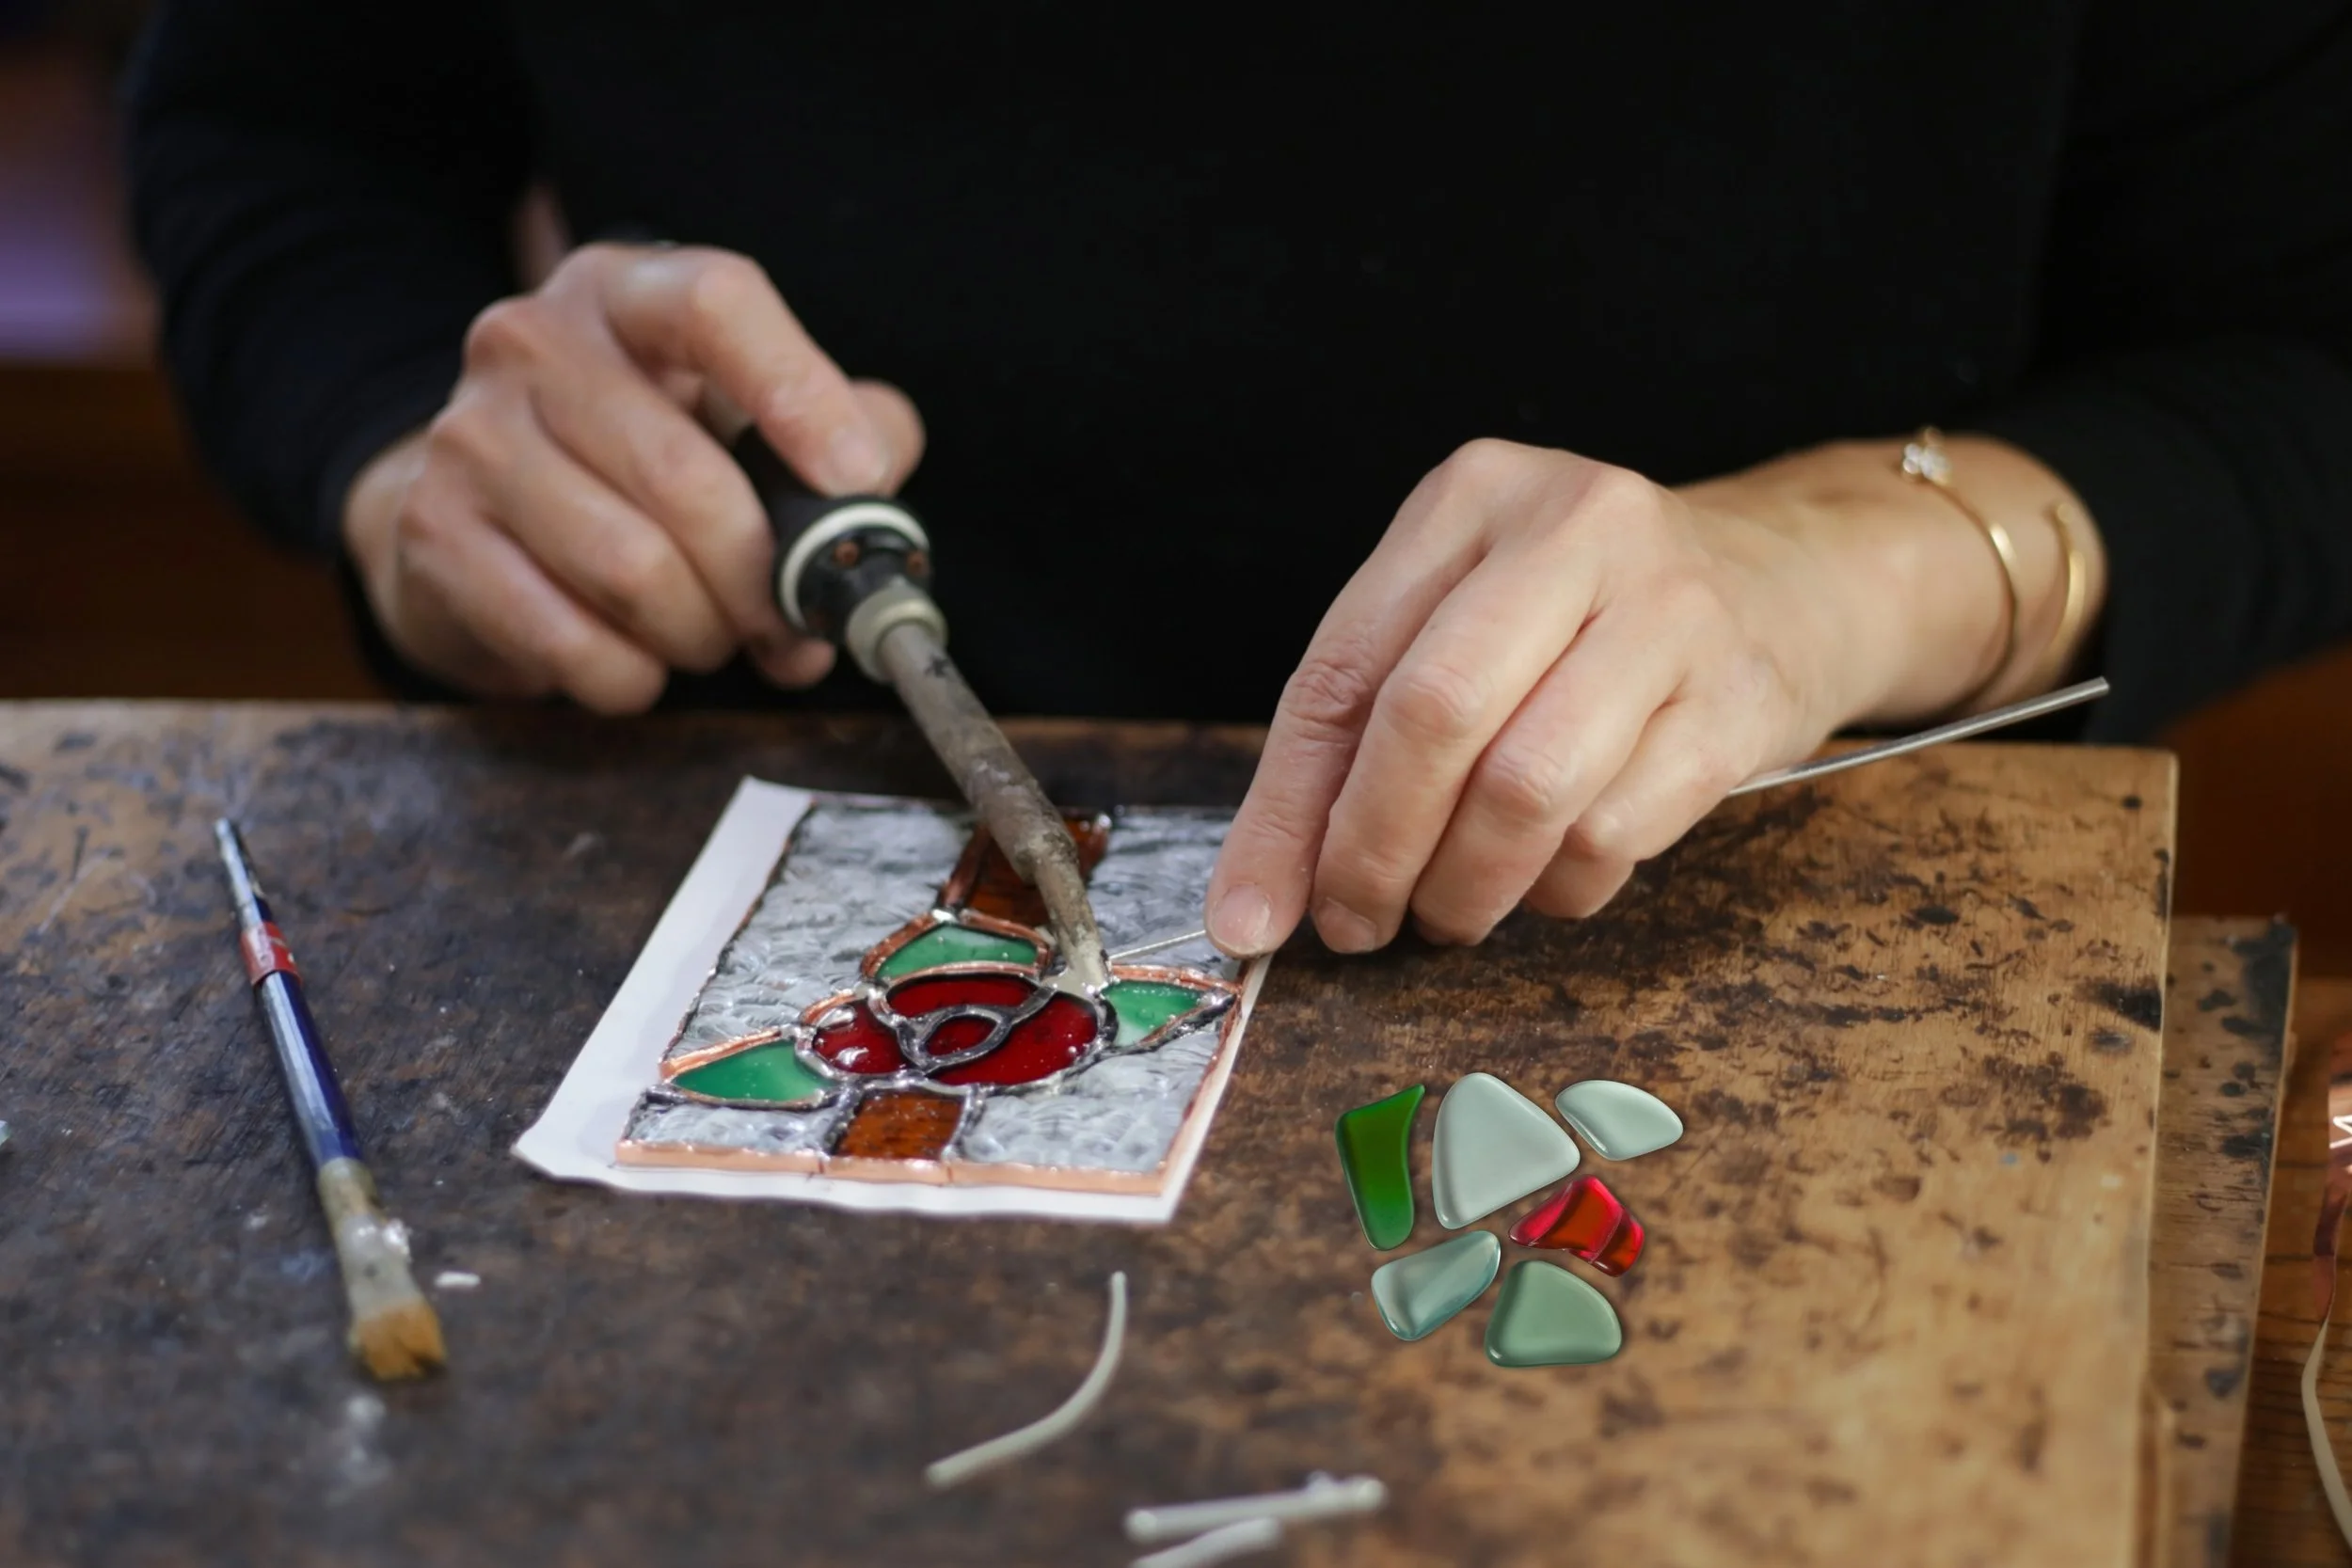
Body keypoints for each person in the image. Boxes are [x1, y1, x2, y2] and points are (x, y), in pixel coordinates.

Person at [128, 4, 2352, 960]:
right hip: (706, 836)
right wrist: (413, 444)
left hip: (1766, 898)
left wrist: (1843, 562)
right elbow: (281, 133)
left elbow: (2303, 352)